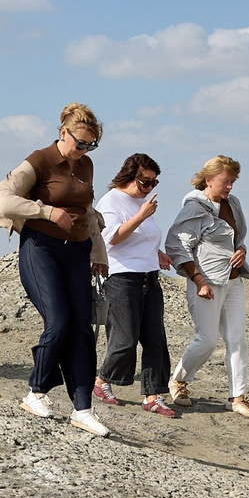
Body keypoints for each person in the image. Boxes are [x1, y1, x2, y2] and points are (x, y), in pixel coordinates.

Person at [0, 103, 110, 436]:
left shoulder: (86, 165)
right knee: (58, 322)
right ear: (63, 133)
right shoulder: (39, 160)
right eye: (80, 143)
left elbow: (87, 211)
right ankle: (36, 392)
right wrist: (45, 212)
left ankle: (83, 409)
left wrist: (97, 251)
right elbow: (3, 199)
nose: (83, 150)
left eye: (90, 145)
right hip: (40, 249)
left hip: (77, 251)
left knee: (81, 329)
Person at [163, 155, 249, 421]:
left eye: (233, 181)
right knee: (206, 341)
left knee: (237, 339)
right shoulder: (194, 209)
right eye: (225, 181)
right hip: (206, 282)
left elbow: (236, 237)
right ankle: (178, 380)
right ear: (208, 179)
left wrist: (241, 250)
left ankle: (237, 398)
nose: (230, 186)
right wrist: (199, 281)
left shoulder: (233, 204)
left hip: (233, 281)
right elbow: (176, 246)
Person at [94, 153, 177, 418]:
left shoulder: (143, 202)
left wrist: (157, 252)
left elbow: (142, 238)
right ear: (129, 176)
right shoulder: (111, 201)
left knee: (155, 338)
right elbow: (113, 239)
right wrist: (141, 216)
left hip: (148, 276)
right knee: (125, 339)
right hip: (121, 278)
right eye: (144, 182)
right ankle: (102, 381)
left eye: (154, 183)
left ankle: (153, 395)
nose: (149, 188)